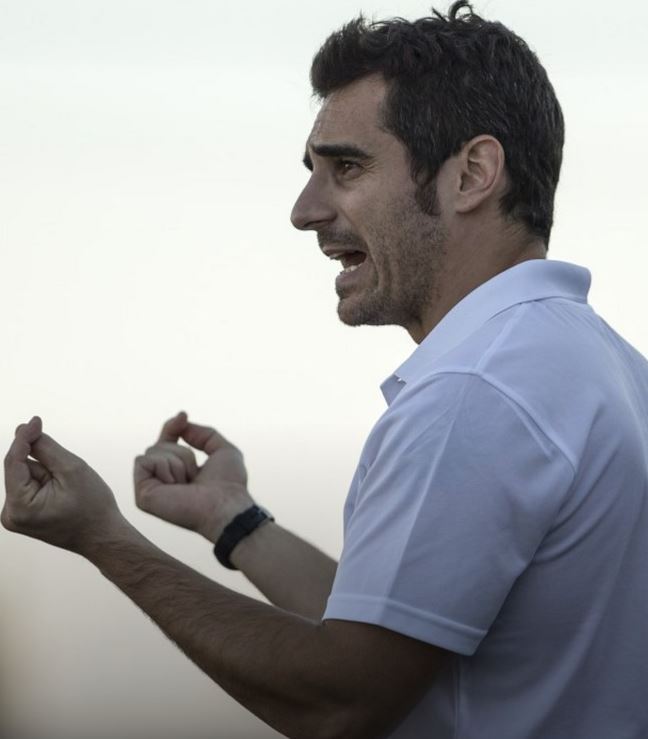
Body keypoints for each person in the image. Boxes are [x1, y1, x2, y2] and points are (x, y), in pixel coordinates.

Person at [3, 1, 648, 737]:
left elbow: (343, 698)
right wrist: (233, 519)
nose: (304, 211)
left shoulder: (474, 394)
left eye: (347, 167)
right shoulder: (604, 369)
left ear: (472, 173)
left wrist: (103, 537)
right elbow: (392, 640)